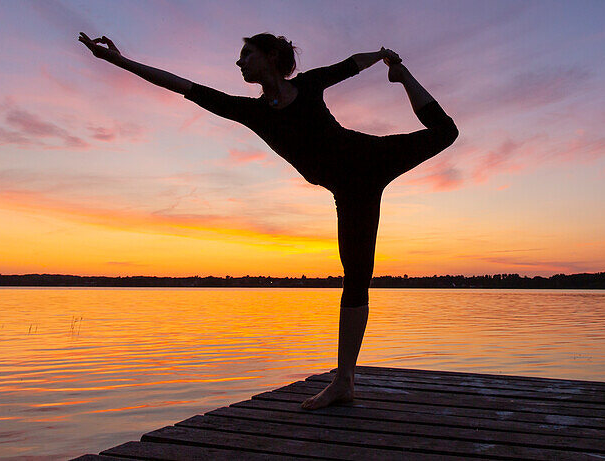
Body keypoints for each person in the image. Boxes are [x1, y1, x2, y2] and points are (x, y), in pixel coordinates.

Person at [78, 31, 458, 409]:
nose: (239, 62)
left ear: (272, 55)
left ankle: (405, 78)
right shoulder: (252, 112)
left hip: (371, 157)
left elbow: (351, 65)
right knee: (356, 277)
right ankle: (344, 382)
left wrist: (383, 57)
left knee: (446, 133)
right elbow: (183, 86)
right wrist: (118, 60)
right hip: (349, 192)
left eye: (246, 53)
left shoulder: (308, 85)